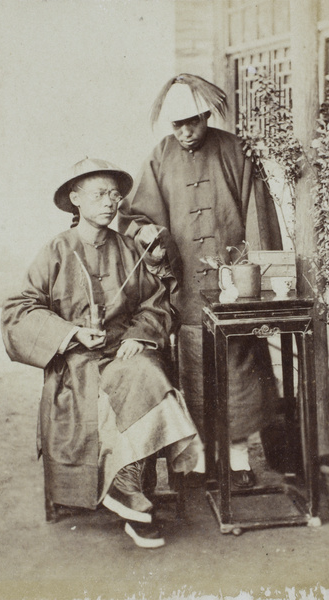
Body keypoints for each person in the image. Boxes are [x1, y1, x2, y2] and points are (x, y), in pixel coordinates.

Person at [1, 158, 200, 549]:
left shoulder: (129, 248)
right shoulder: (55, 251)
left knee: (147, 374)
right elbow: (18, 310)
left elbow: (157, 304)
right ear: (76, 200)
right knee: (102, 397)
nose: (109, 202)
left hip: (122, 353)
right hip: (76, 365)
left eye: (114, 194)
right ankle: (127, 493)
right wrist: (71, 333)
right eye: (98, 194)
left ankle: (125, 486)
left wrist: (140, 335)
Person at [118, 74, 283, 488]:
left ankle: (239, 461)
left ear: (206, 115)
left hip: (236, 284)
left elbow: (258, 216)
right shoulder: (159, 157)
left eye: (192, 121)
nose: (185, 131)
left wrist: (262, 285)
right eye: (176, 125)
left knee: (241, 369)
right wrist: (148, 236)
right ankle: (201, 464)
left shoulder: (235, 151)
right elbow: (139, 215)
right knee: (194, 369)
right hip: (187, 287)